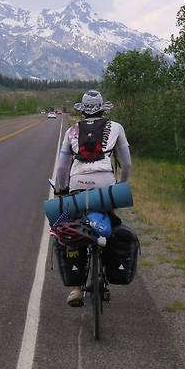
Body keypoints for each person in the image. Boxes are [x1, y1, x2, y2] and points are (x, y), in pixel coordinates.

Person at [54, 89, 131, 307]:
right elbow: (127, 164)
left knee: (72, 228)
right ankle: (110, 265)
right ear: (102, 107)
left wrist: (62, 190)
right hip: (106, 184)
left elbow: (61, 168)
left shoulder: (71, 131)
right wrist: (120, 187)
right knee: (113, 224)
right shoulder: (116, 127)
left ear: (82, 109)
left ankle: (76, 289)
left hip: (78, 185)